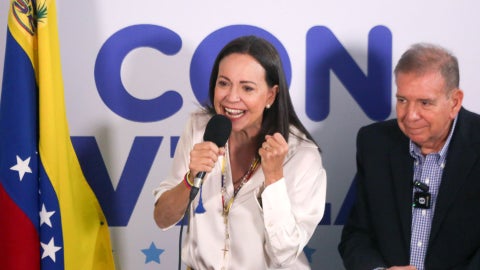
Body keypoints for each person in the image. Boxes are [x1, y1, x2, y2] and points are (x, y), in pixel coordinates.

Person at [153, 35, 326, 269]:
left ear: (271, 96)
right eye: (224, 83)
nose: (232, 98)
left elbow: (285, 254)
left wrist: (274, 178)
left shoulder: (302, 155)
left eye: (247, 88)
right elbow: (162, 218)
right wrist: (190, 179)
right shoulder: (199, 128)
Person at [338, 43, 480, 270]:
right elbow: (357, 236)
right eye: (402, 100)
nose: (410, 115)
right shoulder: (374, 143)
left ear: (454, 102)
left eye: (425, 103)